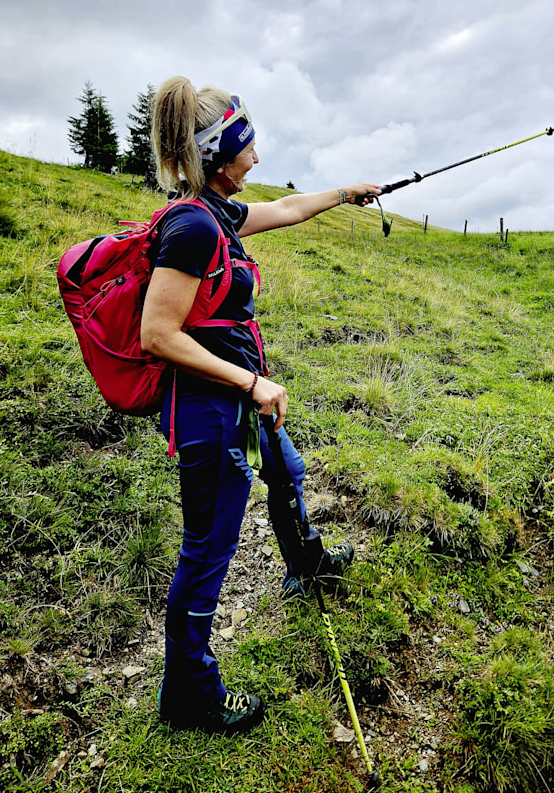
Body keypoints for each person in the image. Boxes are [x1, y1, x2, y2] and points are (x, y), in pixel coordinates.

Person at [140, 77, 380, 736]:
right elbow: (157, 334)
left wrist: (345, 193)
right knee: (206, 554)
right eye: (247, 145)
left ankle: (307, 565)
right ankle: (189, 693)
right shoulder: (193, 226)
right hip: (212, 412)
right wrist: (250, 384)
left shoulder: (218, 213)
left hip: (238, 401)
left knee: (286, 470)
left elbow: (290, 208)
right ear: (219, 154)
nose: (256, 155)